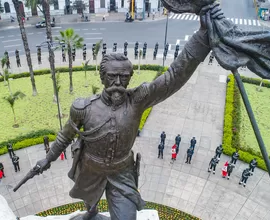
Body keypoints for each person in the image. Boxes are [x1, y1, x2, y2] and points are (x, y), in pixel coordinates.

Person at [32, 4, 224, 219]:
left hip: (121, 172)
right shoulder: (83, 107)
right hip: (90, 168)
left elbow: (173, 77)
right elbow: (65, 136)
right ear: (102, 78)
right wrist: (47, 159)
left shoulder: (137, 100)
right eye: (112, 76)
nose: (117, 82)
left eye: (123, 77)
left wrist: (202, 37)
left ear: (129, 78)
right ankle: (92, 212)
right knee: (89, 203)